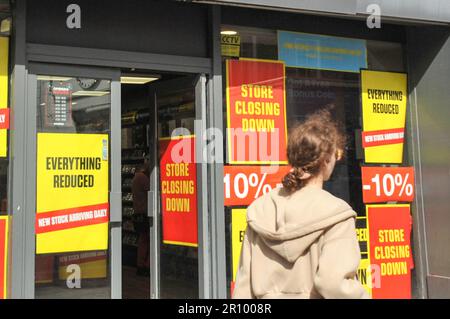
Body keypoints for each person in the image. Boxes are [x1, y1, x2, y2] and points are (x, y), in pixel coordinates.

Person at [232, 109, 369, 299]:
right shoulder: (337, 214)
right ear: (326, 159)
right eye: (337, 154)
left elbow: (243, 288)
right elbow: (334, 285)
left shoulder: (260, 211)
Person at [131, 155, 151, 277]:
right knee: (147, 240)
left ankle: (141, 264)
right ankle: (146, 265)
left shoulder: (134, 178)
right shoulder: (143, 178)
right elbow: (151, 190)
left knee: (142, 240)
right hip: (145, 213)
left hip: (138, 212)